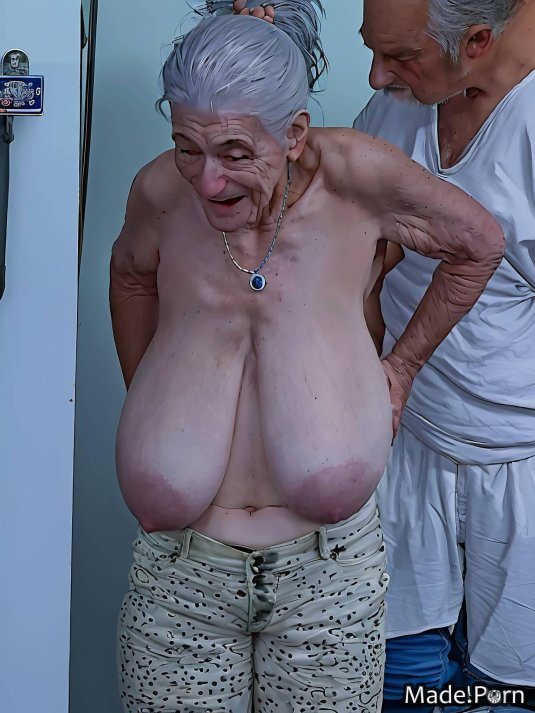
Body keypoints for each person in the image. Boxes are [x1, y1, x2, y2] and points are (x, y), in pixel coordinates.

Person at [109, 1, 503, 710]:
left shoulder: (355, 177)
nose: (207, 181)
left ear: (293, 134)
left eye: (235, 153)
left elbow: (477, 243)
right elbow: (131, 275)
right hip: (178, 578)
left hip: (326, 579)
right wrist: (152, 400)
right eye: (187, 147)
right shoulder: (160, 190)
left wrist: (401, 368)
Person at [354, 0, 535, 710]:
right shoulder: (398, 108)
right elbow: (362, 264)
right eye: (372, 49)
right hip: (404, 447)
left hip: (518, 470)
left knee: (503, 693)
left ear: (477, 40)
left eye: (400, 56)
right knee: (399, 682)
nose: (377, 76)